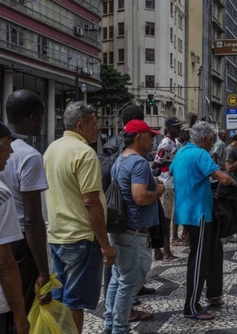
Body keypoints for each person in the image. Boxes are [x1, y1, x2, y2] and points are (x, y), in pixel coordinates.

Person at [43, 102, 117, 333]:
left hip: (57, 236)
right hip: (81, 238)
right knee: (75, 302)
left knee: (60, 298)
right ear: (80, 125)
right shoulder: (84, 153)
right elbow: (90, 202)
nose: (97, 129)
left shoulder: (51, 149)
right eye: (93, 124)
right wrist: (105, 245)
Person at [169, 121, 235, 320]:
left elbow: (172, 171)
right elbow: (222, 179)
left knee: (214, 250)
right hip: (199, 214)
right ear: (204, 138)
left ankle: (213, 293)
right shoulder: (200, 154)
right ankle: (191, 306)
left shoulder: (181, 152)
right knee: (199, 259)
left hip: (185, 211)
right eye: (212, 140)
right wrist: (230, 179)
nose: (213, 144)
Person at [104, 120, 165, 334]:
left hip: (121, 230)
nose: (153, 140)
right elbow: (140, 197)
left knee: (118, 280)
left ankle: (109, 324)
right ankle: (119, 329)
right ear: (139, 137)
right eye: (150, 136)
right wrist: (158, 191)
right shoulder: (139, 163)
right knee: (129, 284)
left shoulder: (120, 160)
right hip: (135, 233)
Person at [0, 90, 52, 314]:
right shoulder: (29, 156)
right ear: (31, 118)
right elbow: (32, 220)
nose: (41, 123)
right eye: (41, 117)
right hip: (21, 243)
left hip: (4, 238)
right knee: (24, 309)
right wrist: (43, 271)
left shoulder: (8, 149)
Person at [0, 122, 30, 334]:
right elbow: (5, 263)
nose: (11, 152)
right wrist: (20, 316)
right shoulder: (2, 195)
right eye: (9, 144)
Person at [152, 116, 186, 259]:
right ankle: (165, 251)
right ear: (168, 128)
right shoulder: (166, 144)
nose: (179, 129)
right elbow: (155, 163)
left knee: (166, 217)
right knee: (165, 218)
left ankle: (161, 250)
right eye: (176, 127)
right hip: (166, 184)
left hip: (172, 183)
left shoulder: (175, 143)